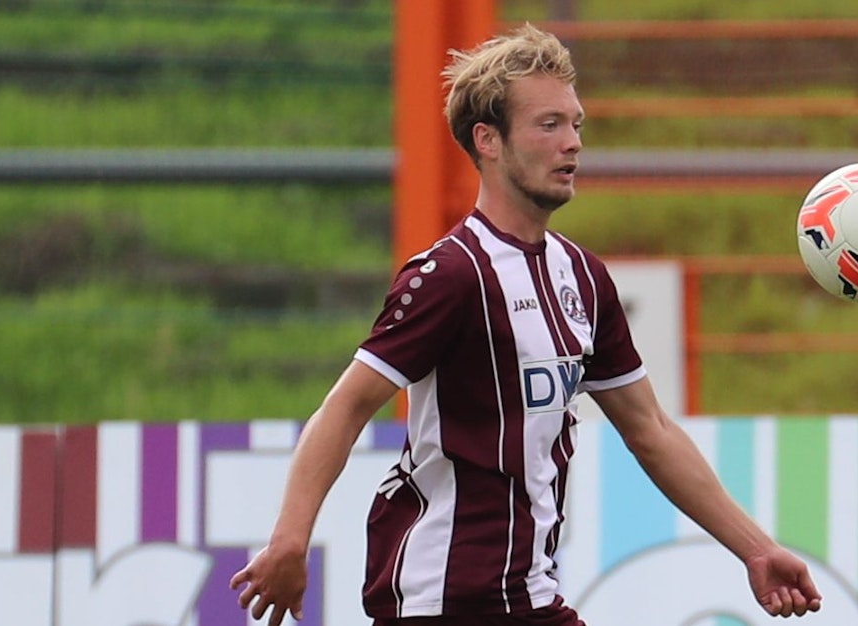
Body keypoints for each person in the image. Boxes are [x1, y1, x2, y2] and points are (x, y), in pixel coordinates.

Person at [229, 25, 823, 626]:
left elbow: (651, 430)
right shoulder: (450, 276)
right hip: (442, 598)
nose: (572, 144)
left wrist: (757, 549)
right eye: (549, 125)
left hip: (529, 597)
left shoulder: (583, 277)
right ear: (488, 140)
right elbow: (346, 406)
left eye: (576, 124)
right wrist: (289, 540)